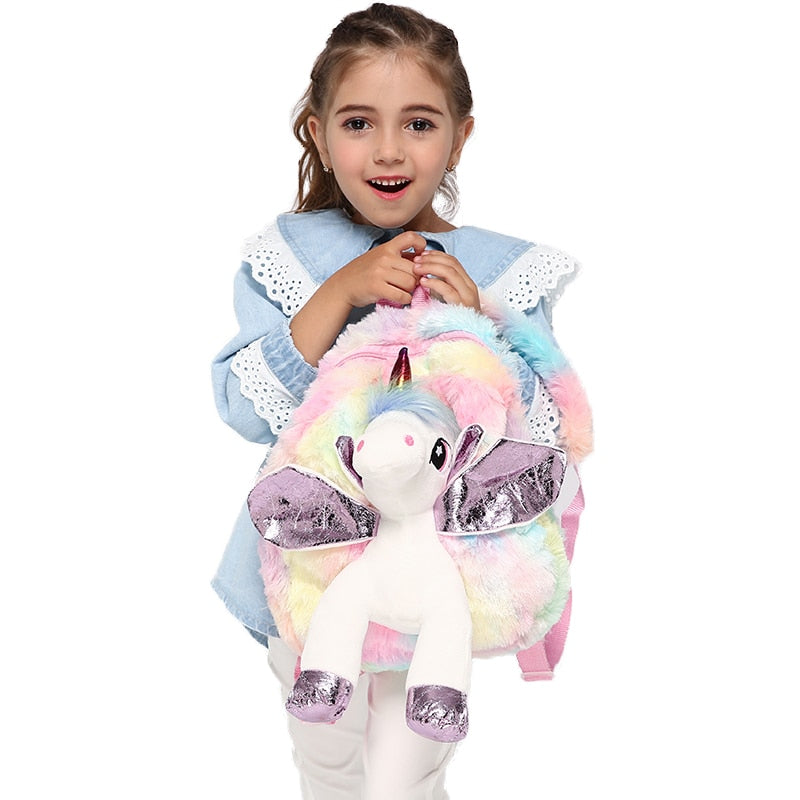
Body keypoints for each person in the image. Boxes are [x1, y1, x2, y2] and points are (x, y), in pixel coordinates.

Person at [211, 5, 589, 799]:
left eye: (419, 123)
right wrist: (339, 294)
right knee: (329, 758)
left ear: (460, 135)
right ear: (318, 134)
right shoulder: (292, 257)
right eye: (358, 123)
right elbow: (246, 409)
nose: (388, 150)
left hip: (441, 573)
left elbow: (547, 437)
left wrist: (482, 319)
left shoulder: (499, 271)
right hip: (314, 565)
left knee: (409, 767)